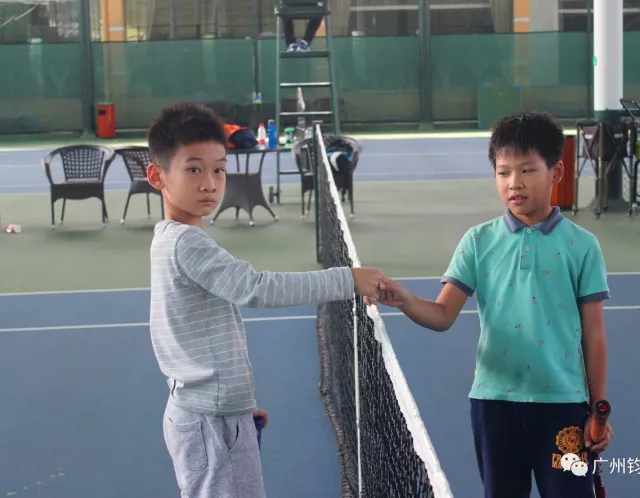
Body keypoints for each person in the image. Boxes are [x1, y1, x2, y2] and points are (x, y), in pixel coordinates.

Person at [145, 102, 389, 498]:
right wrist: (347, 279)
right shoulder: (186, 243)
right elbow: (257, 287)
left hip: (214, 413)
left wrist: (237, 407)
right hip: (210, 422)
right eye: (193, 169)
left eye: (218, 169)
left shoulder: (170, 238)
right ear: (157, 176)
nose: (209, 183)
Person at [371, 110, 613, 498]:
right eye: (503, 172)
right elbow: (442, 315)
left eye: (527, 170)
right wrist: (405, 300)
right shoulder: (477, 241)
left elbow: (594, 334)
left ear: (556, 172)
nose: (514, 183)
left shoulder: (582, 246)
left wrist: (598, 408)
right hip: (494, 405)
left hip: (563, 406)